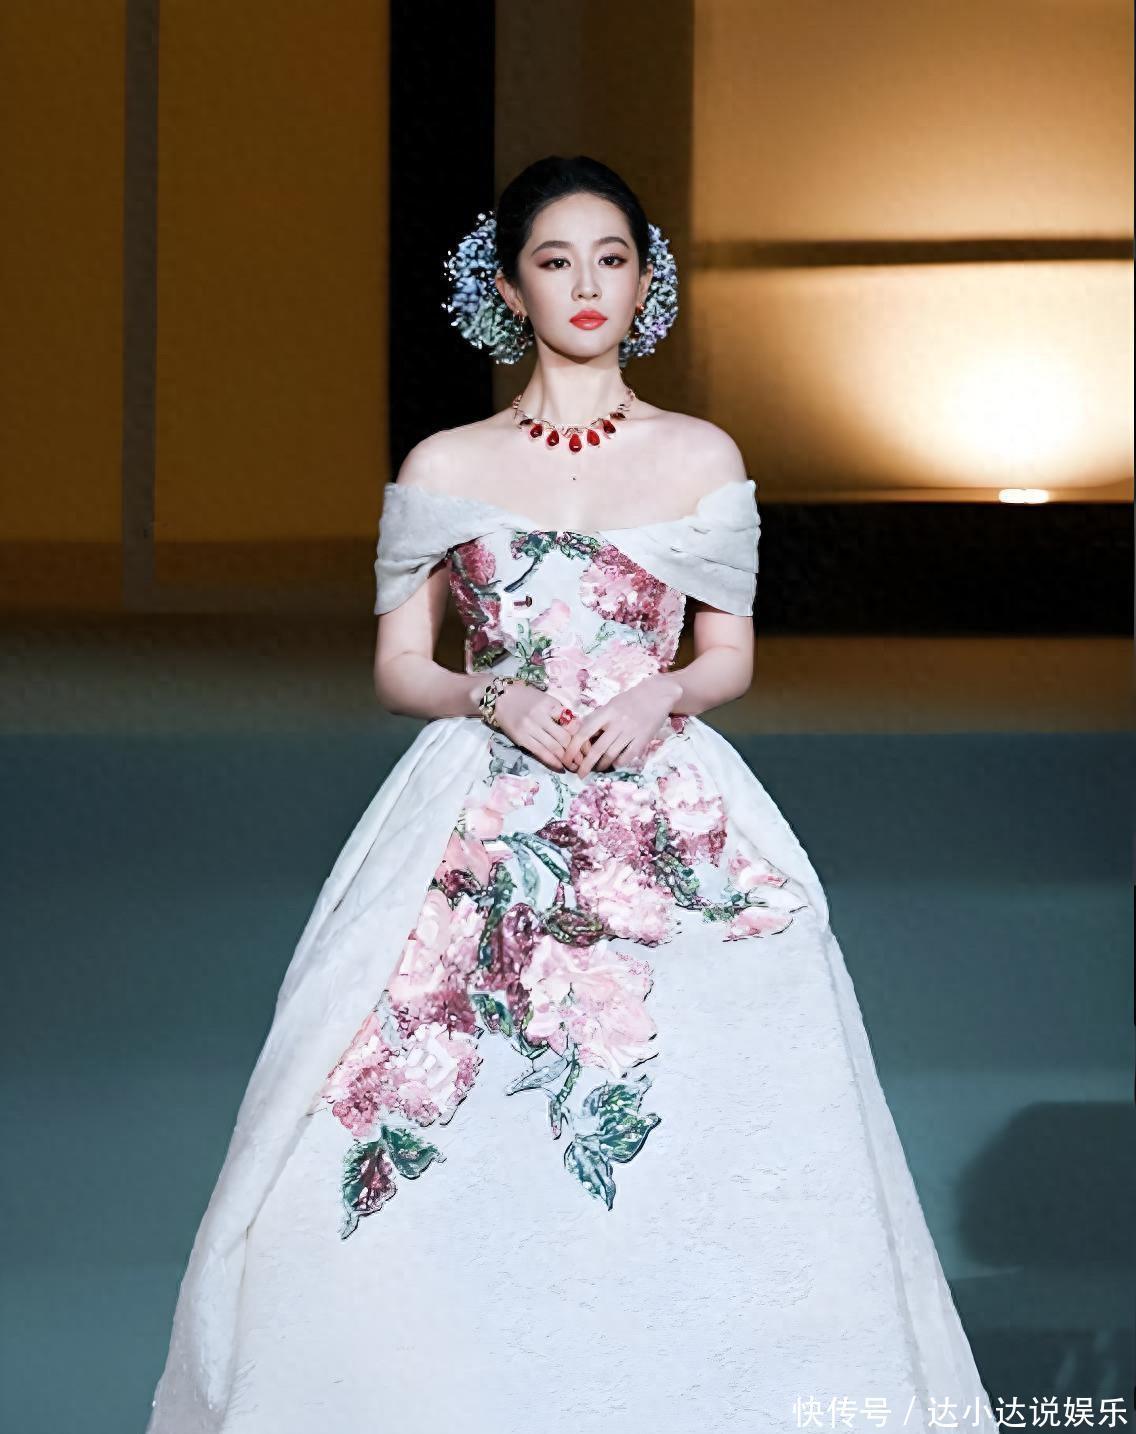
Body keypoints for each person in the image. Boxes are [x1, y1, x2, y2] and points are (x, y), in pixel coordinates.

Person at [146, 155, 996, 1433]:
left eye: (612, 259)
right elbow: (397, 666)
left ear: (646, 282)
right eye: (555, 261)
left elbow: (727, 651)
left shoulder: (699, 452)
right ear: (507, 287)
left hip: (662, 799)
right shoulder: (446, 462)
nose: (586, 285)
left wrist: (661, 695)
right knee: (403, 1100)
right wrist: (489, 695)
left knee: (720, 1113)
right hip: (480, 807)